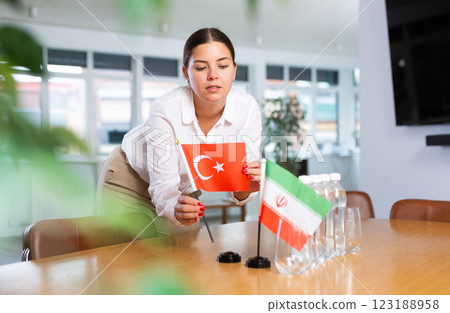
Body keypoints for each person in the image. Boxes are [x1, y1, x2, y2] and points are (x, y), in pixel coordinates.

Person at [101, 28, 262, 236]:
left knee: (186, 252)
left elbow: (240, 187)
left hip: (180, 190)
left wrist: (248, 185)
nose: (213, 75)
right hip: (129, 180)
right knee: (134, 256)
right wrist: (174, 207)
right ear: (186, 73)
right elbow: (163, 187)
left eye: (222, 66)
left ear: (234, 71)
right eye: (201, 67)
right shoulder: (166, 108)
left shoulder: (247, 109)